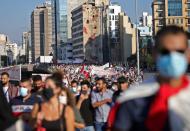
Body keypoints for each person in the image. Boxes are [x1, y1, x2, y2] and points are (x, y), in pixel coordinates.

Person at [113, 25, 190, 131]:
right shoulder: (132, 99)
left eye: (179, 51)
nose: (172, 57)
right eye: (165, 52)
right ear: (154, 53)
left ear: (188, 54)